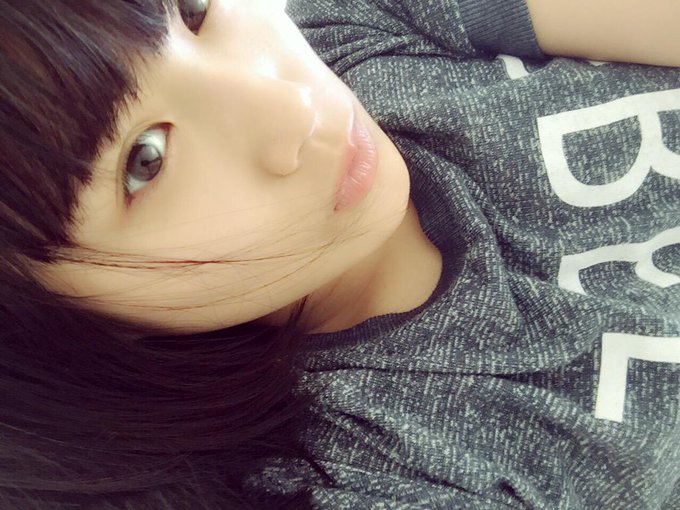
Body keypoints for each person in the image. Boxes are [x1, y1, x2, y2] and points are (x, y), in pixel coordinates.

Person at [0, 0, 677, 508]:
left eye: (193, 10)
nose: (290, 107)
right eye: (145, 160)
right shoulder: (374, 474)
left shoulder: (363, 20)